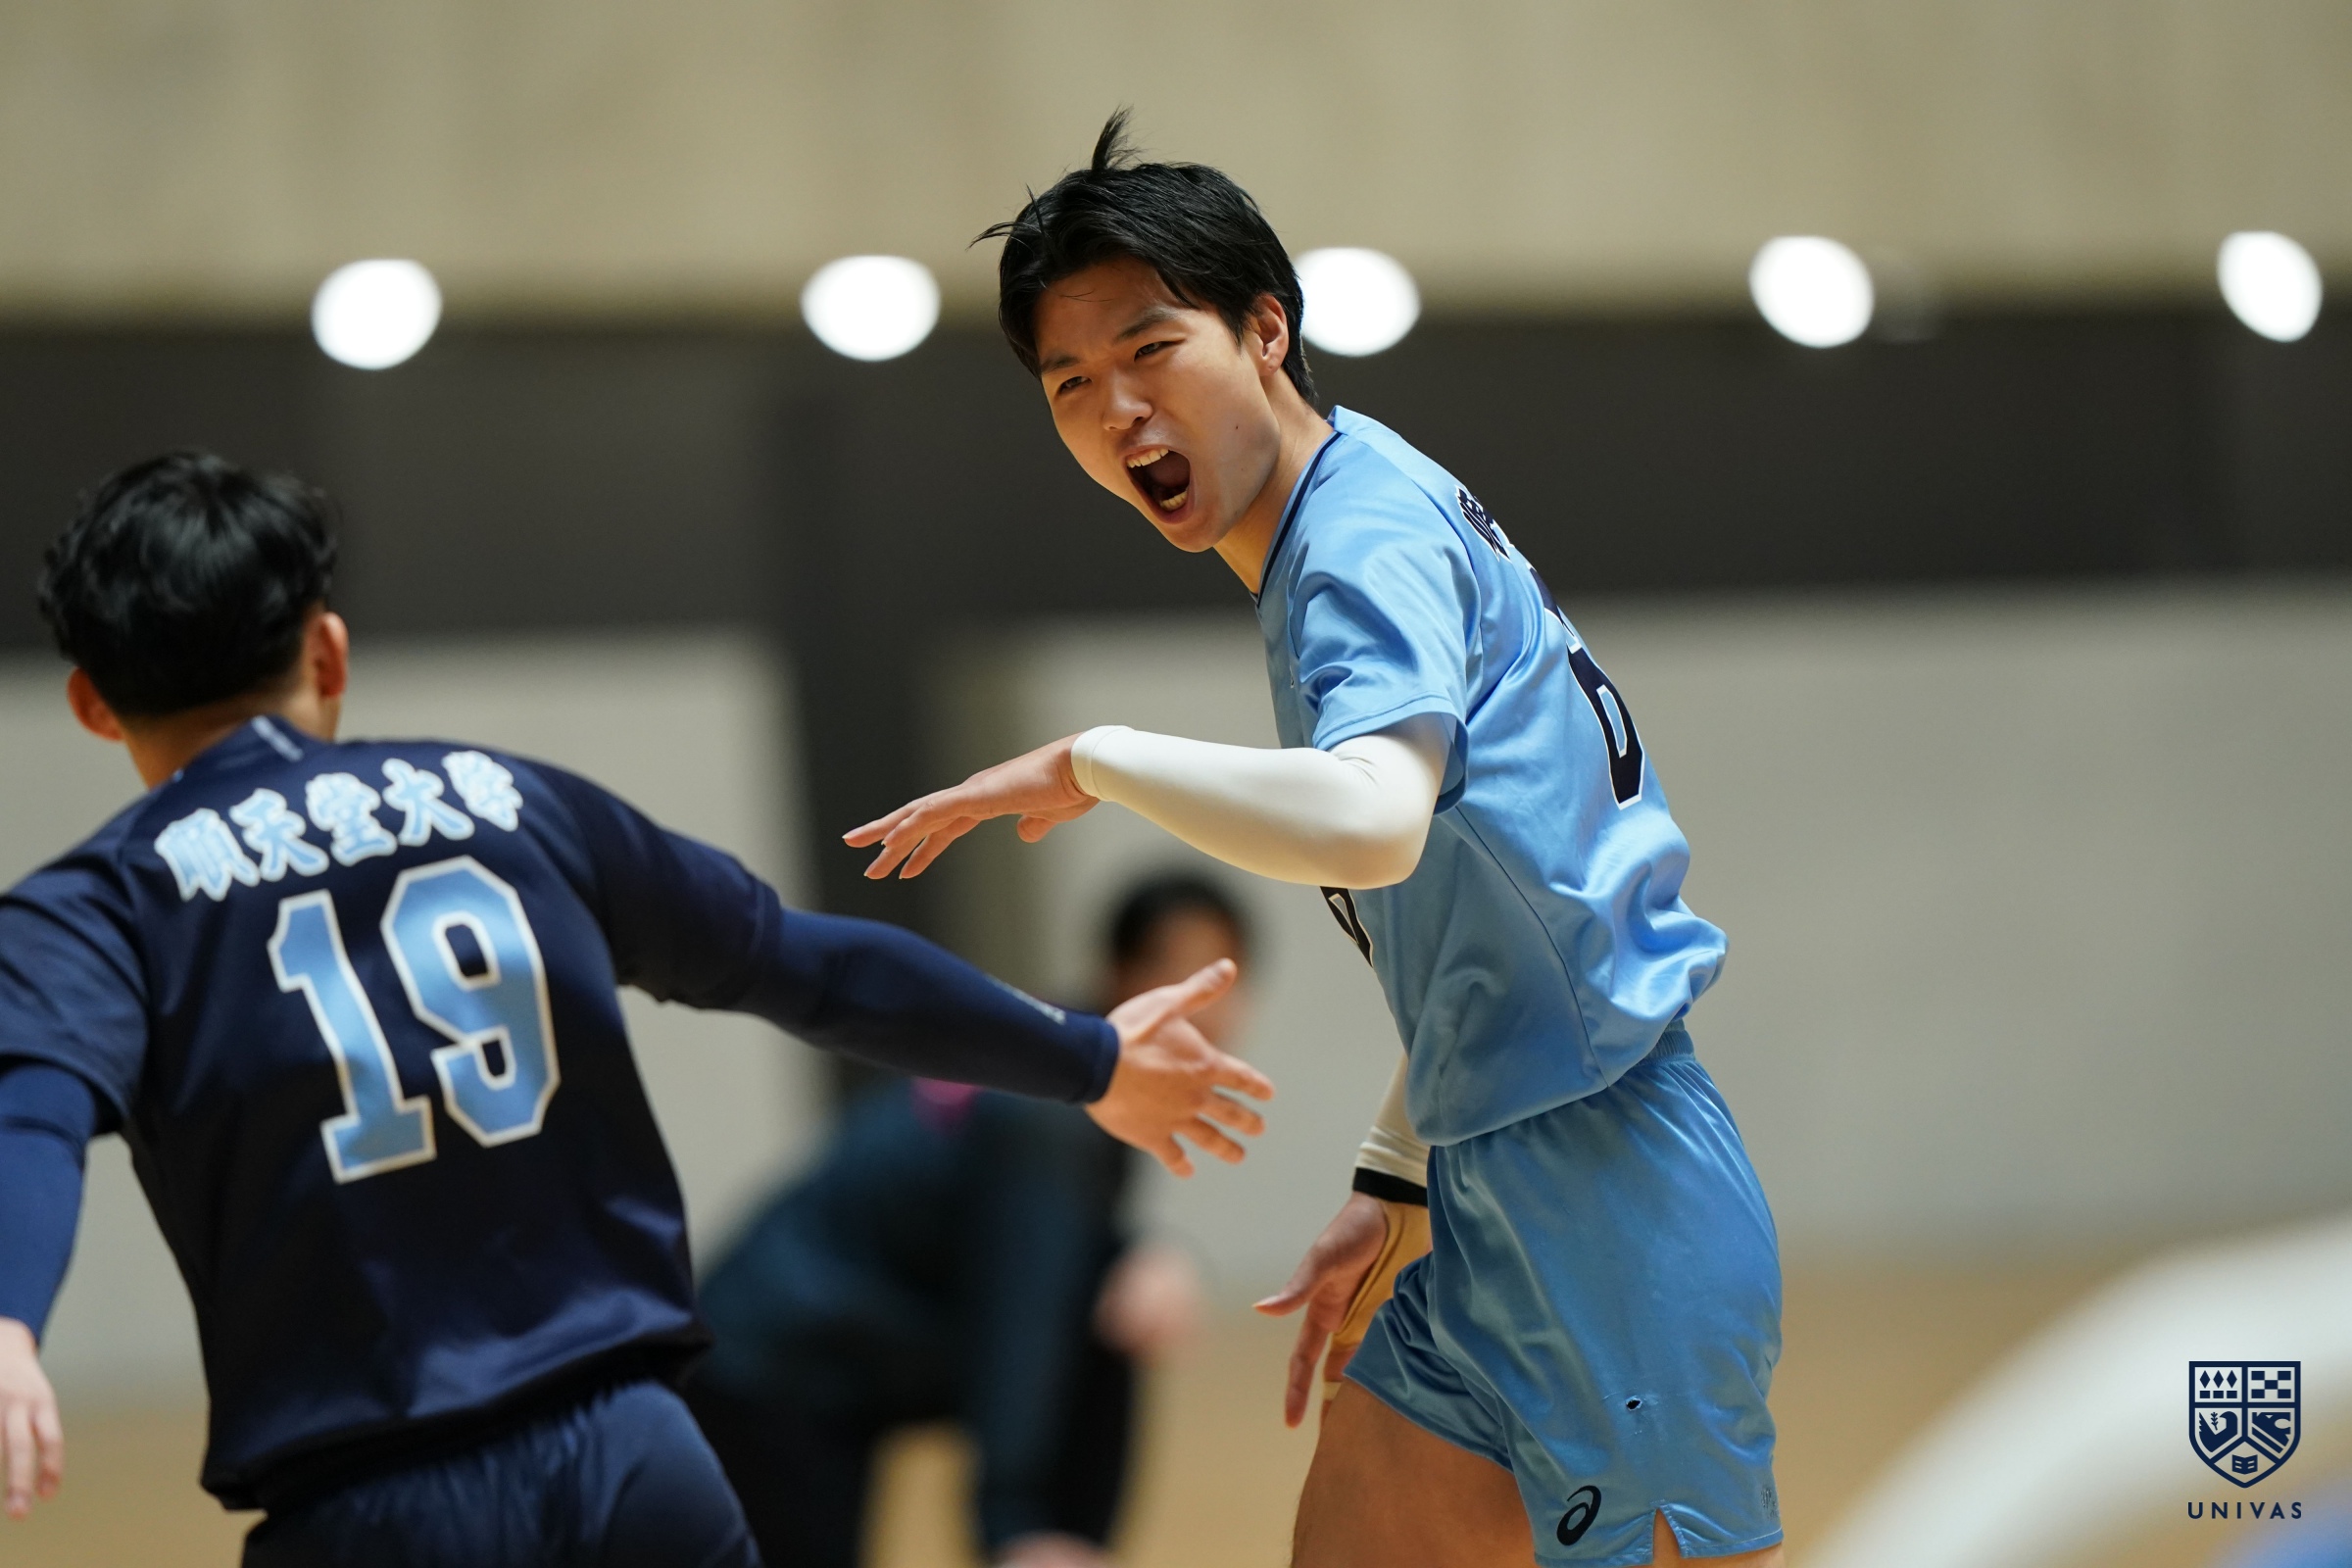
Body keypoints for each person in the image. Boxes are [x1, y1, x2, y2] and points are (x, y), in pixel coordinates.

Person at [0, 451, 1274, 1566]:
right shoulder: (513, 804)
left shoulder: (95, 908)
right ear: (327, 649)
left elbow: (31, 1116)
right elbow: (813, 967)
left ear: (94, 701)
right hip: (639, 1468)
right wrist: (1087, 1051)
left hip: (366, 1510)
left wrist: (8, 1321)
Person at [845, 115, 1783, 1568]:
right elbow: (1497, 916)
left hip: (1608, 1199)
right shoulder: (1353, 501)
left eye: (1153, 350)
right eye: (1072, 383)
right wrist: (1394, 1174)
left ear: (1266, 330)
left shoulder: (1354, 544)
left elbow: (1375, 824)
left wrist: (1099, 761)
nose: (1118, 410)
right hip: (1495, 1181)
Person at [686, 873, 1246, 1568]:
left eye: (1225, 980)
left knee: (1112, 1312)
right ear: (1119, 974)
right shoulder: (1049, 1113)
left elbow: (1048, 1253)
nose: (1206, 1009)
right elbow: (1022, 1310)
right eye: (1175, 969)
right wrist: (1010, 1524)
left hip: (854, 1336)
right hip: (766, 1360)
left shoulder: (1070, 1067)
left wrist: (1141, 1252)